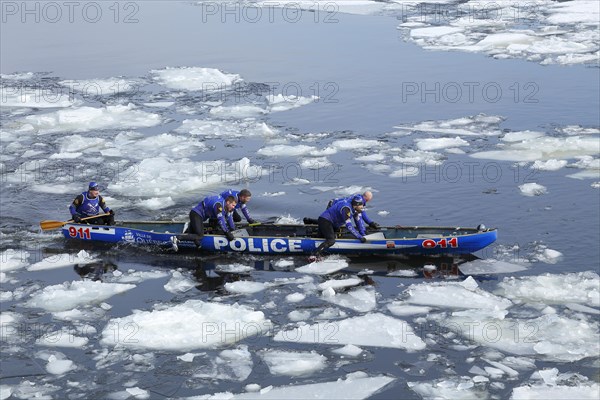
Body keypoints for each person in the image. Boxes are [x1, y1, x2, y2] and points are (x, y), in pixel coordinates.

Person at [310, 195, 367, 261]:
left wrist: (362, 234)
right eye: (361, 205)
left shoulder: (354, 209)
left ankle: (314, 231)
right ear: (356, 205)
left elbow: (358, 222)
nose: (362, 207)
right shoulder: (346, 209)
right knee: (331, 241)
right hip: (325, 221)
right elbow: (349, 226)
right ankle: (314, 255)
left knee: (321, 237)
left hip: (332, 223)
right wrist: (359, 237)